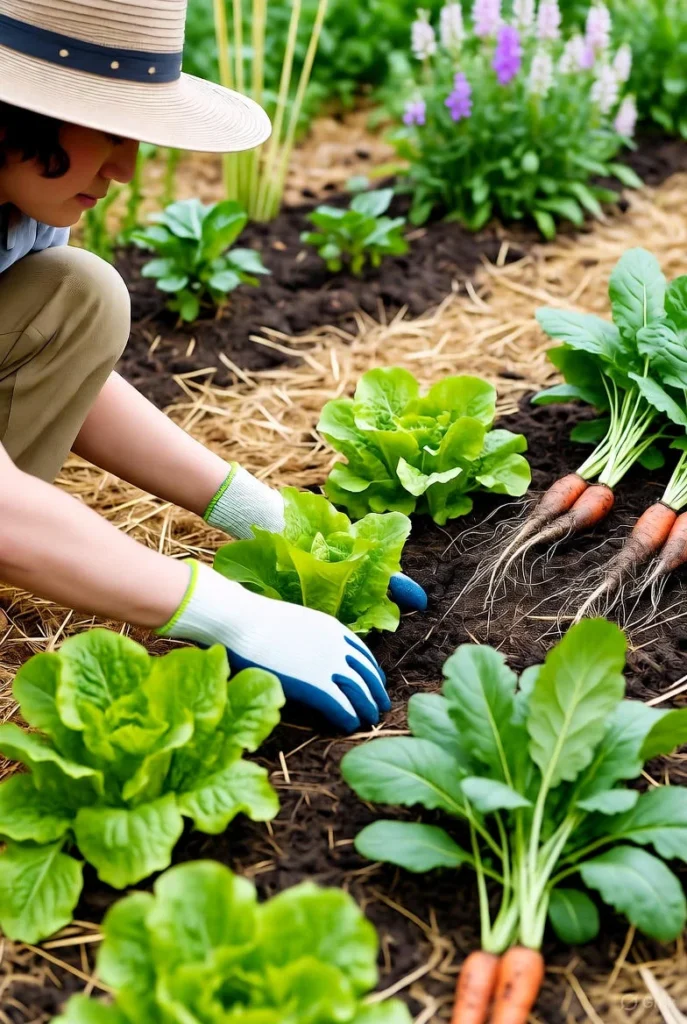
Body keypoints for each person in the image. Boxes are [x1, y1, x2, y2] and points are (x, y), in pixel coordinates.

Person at [0, 0, 427, 734]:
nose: (128, 170)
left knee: (81, 292)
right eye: (108, 130)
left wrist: (253, 511)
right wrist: (223, 611)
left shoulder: (23, 201)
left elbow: (62, 359)